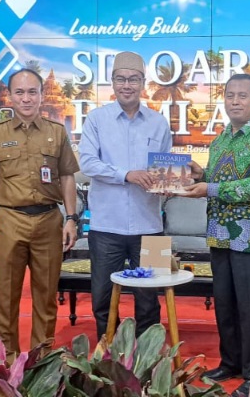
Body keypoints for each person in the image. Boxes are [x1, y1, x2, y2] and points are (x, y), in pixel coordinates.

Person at [181, 73, 250, 397]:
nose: (235, 101)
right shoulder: (220, 140)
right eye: (230, 95)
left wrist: (208, 188)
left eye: (242, 95)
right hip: (219, 233)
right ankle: (231, 362)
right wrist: (201, 175)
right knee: (226, 304)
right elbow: (219, 179)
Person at [0, 68, 79, 358]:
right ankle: (7, 360)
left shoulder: (56, 132)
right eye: (19, 92)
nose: (26, 98)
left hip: (48, 220)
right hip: (9, 220)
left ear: (41, 95)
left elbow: (67, 176)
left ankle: (41, 358)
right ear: (10, 96)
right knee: (5, 295)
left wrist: (71, 218)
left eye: (32, 92)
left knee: (46, 296)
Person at [78, 51, 172, 339]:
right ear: (112, 82)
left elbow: (166, 168)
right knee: (103, 299)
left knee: (150, 299)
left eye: (133, 79)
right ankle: (108, 355)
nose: (127, 85)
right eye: (121, 79)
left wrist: (172, 181)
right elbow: (87, 163)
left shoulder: (159, 122)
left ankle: (148, 356)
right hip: (106, 227)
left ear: (143, 83)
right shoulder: (96, 119)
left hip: (151, 227)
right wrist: (126, 174)